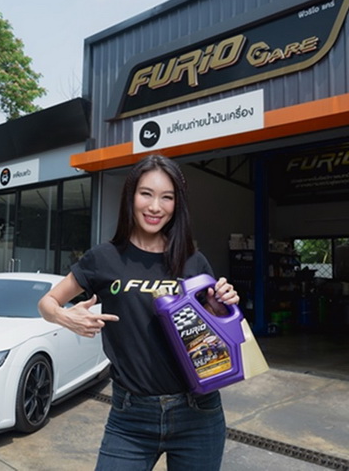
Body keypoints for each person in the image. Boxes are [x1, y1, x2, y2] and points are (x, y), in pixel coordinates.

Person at [38, 154, 239, 471]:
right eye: (146, 193)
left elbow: (213, 333)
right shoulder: (103, 258)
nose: (155, 207)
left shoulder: (193, 260)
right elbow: (47, 302)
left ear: (177, 204)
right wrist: (65, 316)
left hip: (198, 413)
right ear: (131, 196)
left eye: (167, 197)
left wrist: (220, 307)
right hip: (131, 417)